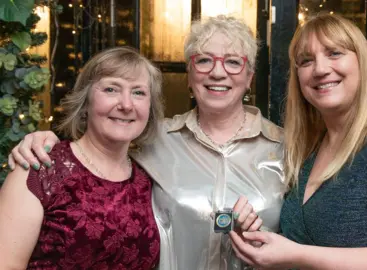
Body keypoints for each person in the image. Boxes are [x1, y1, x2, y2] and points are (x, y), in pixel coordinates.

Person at [7, 16, 285, 270]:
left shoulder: (287, 148)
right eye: (204, 60)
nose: (217, 72)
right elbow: (94, 148)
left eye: (234, 62)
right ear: (190, 74)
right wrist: (44, 139)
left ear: (250, 78)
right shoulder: (154, 139)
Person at [229, 14, 367, 269]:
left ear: (361, 61)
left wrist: (295, 254)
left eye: (334, 53)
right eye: (306, 61)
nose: (320, 69)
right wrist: (263, 242)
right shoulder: (314, 145)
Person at [0, 47, 164, 269]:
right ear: (85, 101)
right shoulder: (39, 171)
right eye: (111, 89)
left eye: (138, 92)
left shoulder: (149, 178)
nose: (126, 105)